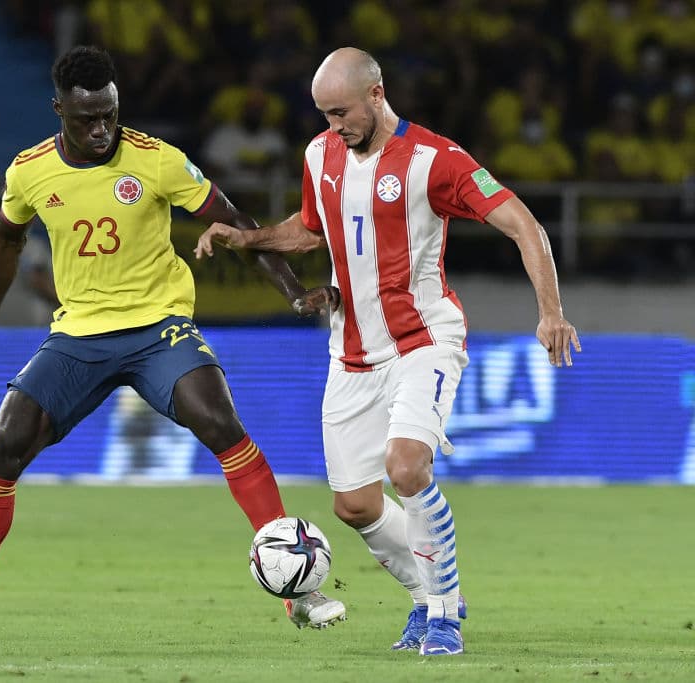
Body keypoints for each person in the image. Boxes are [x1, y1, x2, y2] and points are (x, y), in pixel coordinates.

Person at [0, 45, 345, 654]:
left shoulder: (157, 160)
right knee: (3, 447)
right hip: (80, 335)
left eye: (110, 115)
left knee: (219, 420)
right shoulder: (29, 171)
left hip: (158, 325)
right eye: (86, 118)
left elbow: (237, 221)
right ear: (59, 109)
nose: (100, 130)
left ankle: (297, 590)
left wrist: (294, 292)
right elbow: (4, 245)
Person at [195, 48, 582, 657]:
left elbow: (523, 224)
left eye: (342, 112)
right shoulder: (319, 154)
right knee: (353, 505)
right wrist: (250, 238)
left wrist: (551, 312)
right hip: (350, 350)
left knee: (407, 468)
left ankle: (444, 616)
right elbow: (310, 226)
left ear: (377, 94)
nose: (334, 126)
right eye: (324, 114)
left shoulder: (435, 159)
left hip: (423, 340)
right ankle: (424, 598)